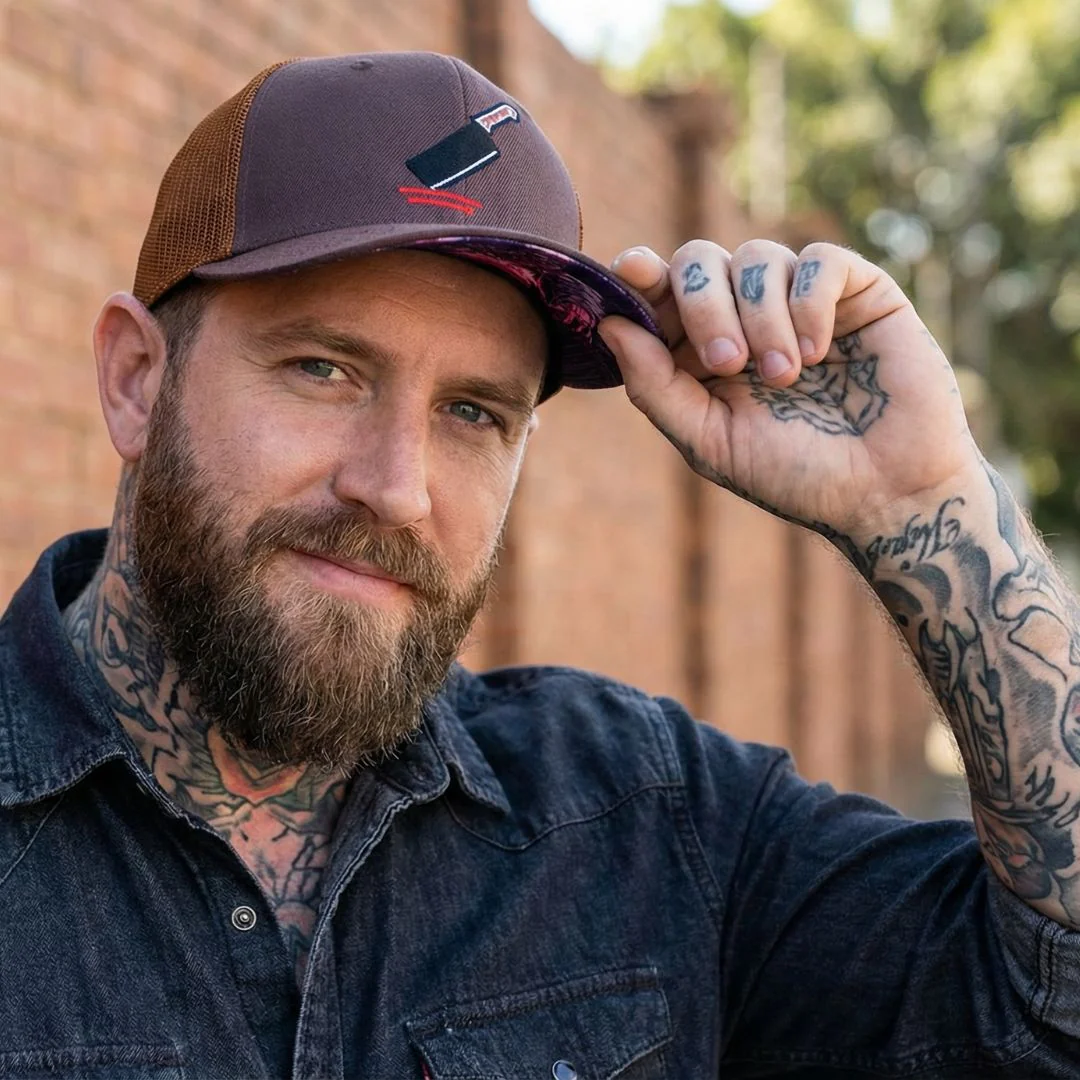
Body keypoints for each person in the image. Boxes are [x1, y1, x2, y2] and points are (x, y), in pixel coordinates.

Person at [2, 49, 1080, 1080]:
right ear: (137, 379)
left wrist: (923, 506)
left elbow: (1051, 1011)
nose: (398, 487)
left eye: (474, 411)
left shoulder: (647, 823)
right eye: (323, 368)